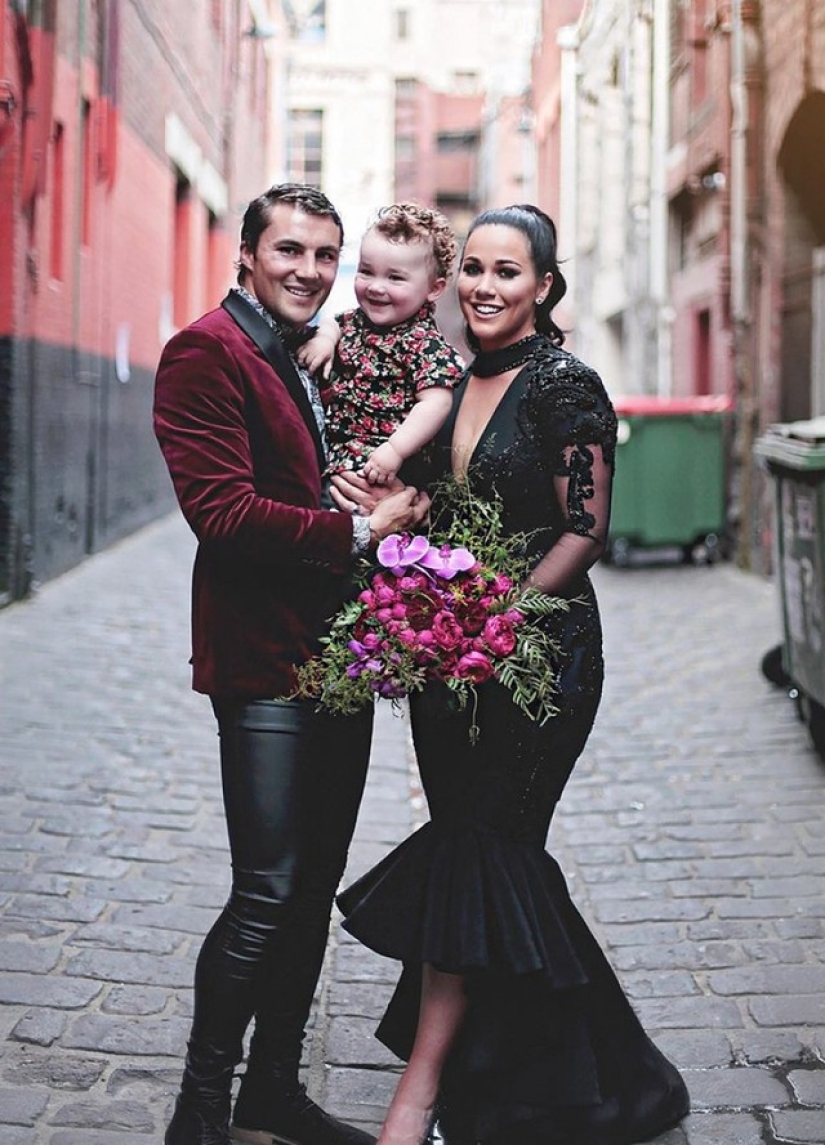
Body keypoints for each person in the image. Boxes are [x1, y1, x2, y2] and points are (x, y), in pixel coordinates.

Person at [335, 204, 691, 1144]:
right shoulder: (454, 380)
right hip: (449, 659)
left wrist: (500, 621)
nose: (485, 287)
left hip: (540, 659)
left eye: (507, 272)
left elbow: (584, 531)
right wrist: (402, 523)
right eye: (474, 269)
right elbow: (443, 509)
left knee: (483, 844)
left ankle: (420, 1093)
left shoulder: (565, 386)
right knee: (480, 853)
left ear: (542, 285)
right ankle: (592, 1072)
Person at [153, 182, 429, 1145]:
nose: (308, 270)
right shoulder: (205, 352)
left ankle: (271, 1089)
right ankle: (199, 1113)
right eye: (288, 250)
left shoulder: (303, 349)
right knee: (266, 891)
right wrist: (360, 530)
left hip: (336, 660)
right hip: (263, 660)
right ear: (247, 255)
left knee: (310, 890)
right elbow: (223, 514)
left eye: (324, 254)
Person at [298, 202, 465, 485]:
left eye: (395, 277)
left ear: (434, 288)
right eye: (366, 271)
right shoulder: (354, 322)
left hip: (387, 464)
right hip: (337, 455)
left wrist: (395, 450)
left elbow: (436, 403)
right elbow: (333, 323)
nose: (376, 287)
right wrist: (325, 340)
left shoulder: (424, 344)